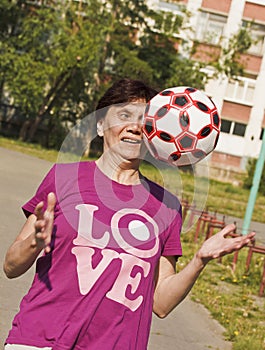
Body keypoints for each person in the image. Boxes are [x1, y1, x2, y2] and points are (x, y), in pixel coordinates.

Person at [3, 78, 255, 350]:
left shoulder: (167, 207)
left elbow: (159, 303)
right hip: (38, 339)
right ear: (100, 125)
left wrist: (199, 261)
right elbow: (11, 267)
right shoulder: (64, 178)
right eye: (124, 115)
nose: (135, 127)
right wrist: (35, 243)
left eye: (145, 120)